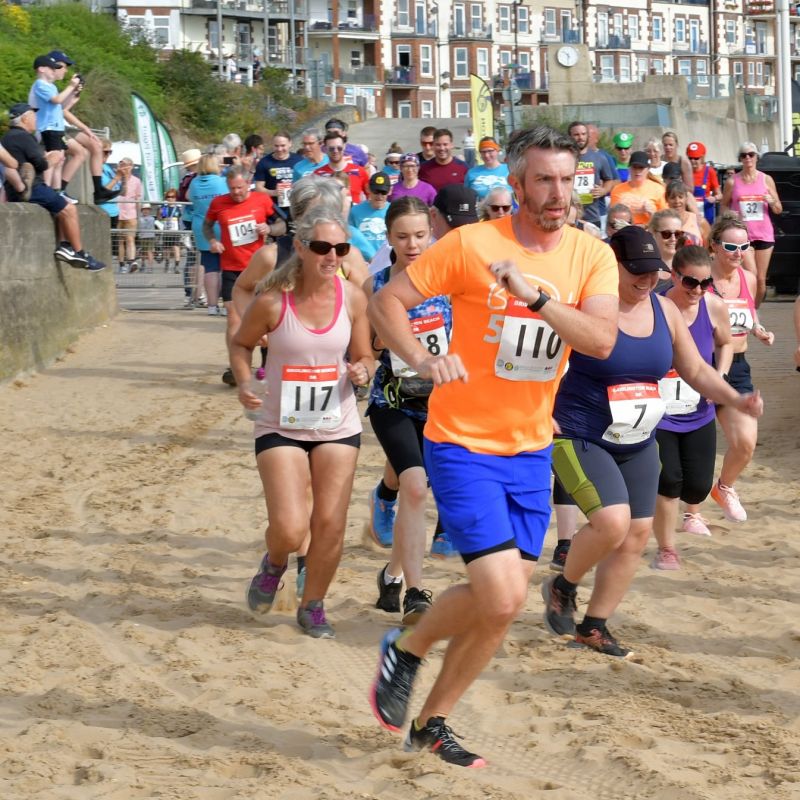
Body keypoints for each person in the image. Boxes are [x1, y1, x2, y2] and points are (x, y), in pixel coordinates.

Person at [368, 126, 620, 767]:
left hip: (531, 448)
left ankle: (430, 719)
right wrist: (423, 361)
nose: (558, 193)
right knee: (504, 594)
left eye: (568, 179)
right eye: (544, 179)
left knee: (498, 606)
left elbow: (599, 340)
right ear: (517, 184)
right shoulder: (470, 244)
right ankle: (408, 647)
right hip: (462, 443)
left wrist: (534, 296)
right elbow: (386, 304)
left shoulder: (592, 255)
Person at [543, 226, 763, 658]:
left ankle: (594, 625)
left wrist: (736, 398)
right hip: (580, 434)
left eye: (652, 272)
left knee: (638, 532)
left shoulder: (664, 311)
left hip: (639, 438)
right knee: (611, 521)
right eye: (636, 271)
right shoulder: (583, 307)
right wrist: (542, 410)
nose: (646, 280)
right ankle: (563, 586)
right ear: (612, 264)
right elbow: (545, 361)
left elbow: (698, 371)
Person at [230, 206, 373, 638]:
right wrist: (242, 382)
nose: (331, 256)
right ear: (301, 248)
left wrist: (363, 369)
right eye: (322, 247)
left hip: (337, 424)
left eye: (340, 249)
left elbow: (365, 354)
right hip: (280, 425)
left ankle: (313, 604)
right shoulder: (273, 301)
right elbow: (241, 344)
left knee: (330, 522)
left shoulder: (353, 300)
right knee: (292, 528)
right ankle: (275, 561)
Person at [364, 197, 449, 623]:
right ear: (388, 239)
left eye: (420, 235)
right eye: (402, 237)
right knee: (415, 488)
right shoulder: (376, 284)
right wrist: (381, 345)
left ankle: (393, 574)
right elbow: (363, 350)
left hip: (444, 403)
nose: (412, 245)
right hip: (393, 400)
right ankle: (417, 593)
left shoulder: (450, 278)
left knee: (415, 491)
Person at [652, 245, 733, 568]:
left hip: (699, 409)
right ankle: (666, 548)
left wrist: (719, 375)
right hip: (659, 412)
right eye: (690, 283)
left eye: (705, 283)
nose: (698, 290)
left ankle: (688, 513)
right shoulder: (655, 306)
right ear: (674, 276)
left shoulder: (714, 306)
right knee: (669, 479)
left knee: (697, 486)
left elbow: (725, 342)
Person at [706, 214, 775, 522]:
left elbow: (749, 314)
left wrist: (759, 330)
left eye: (744, 246)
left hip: (737, 368)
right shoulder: (701, 278)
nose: (738, 253)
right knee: (693, 445)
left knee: (745, 444)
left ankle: (724, 487)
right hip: (702, 367)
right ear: (713, 246)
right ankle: (690, 514)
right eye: (731, 246)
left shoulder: (747, 278)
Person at [203, 164, 284, 385]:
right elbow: (207, 225)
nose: (236, 192)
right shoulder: (218, 203)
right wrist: (212, 240)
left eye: (240, 187)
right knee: (234, 319)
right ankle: (236, 366)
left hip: (260, 270)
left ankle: (268, 366)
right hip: (231, 268)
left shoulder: (262, 200)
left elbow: (282, 224)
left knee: (266, 318)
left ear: (247, 183)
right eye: (232, 188)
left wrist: (270, 230)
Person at [1, 102, 104, 271]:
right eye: (33, 116)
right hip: (32, 188)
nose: (36, 119)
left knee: (60, 205)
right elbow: (41, 165)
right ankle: (80, 253)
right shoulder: (23, 137)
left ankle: (65, 246)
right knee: (69, 209)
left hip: (15, 189)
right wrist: (53, 158)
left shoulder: (7, 137)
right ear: (25, 118)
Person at [28, 53, 118, 205]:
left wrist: (74, 95)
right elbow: (58, 104)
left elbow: (60, 108)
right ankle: (47, 190)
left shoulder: (52, 87)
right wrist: (70, 87)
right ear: (44, 69)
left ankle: (58, 191)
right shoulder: (41, 85)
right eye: (57, 67)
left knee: (62, 158)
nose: (62, 71)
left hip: (55, 127)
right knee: (56, 158)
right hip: (48, 128)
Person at [721, 142, 783, 306]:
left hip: (764, 234)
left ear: (757, 157)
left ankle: (754, 310)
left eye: (751, 154)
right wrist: (729, 215)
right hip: (743, 235)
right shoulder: (732, 182)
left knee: (761, 280)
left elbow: (778, 209)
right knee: (752, 275)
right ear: (740, 159)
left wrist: (771, 201)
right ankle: (748, 310)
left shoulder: (766, 180)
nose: (747, 158)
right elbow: (723, 205)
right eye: (744, 155)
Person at [188, 154, 228, 315]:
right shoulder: (221, 182)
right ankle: (226, 304)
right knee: (227, 267)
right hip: (221, 225)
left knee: (210, 266)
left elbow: (188, 198)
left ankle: (212, 306)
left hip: (201, 226)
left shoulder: (194, 182)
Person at [568, 121, 617, 227]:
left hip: (592, 215)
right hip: (569, 215)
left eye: (583, 134)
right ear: (569, 137)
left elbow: (609, 180)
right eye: (576, 135)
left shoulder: (599, 157)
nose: (580, 137)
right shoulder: (564, 157)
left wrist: (603, 190)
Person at [609, 150, 666, 226]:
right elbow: (612, 219)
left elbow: (665, 219)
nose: (637, 171)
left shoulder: (658, 189)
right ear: (629, 169)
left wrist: (652, 214)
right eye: (634, 167)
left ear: (648, 169)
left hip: (648, 233)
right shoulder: (617, 190)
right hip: (624, 232)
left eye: (641, 168)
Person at [254, 131, 302, 214]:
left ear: (290, 143)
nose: (279, 149)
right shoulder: (264, 163)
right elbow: (258, 188)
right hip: (275, 210)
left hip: (297, 206)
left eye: (283, 146)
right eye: (276, 146)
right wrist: (274, 193)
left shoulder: (299, 160)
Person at [314, 132, 369, 204]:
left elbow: (370, 196)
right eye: (331, 148)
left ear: (344, 147)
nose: (335, 151)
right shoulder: (317, 174)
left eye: (339, 148)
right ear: (325, 149)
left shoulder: (359, 171)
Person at [348, 172, 391, 261]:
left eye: (383, 192)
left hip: (387, 261)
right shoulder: (355, 211)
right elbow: (350, 237)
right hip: (362, 262)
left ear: (390, 191)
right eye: (376, 191)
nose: (379, 196)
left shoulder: (394, 210)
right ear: (368, 189)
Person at [116, 158, 142, 273]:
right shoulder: (117, 179)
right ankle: (122, 264)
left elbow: (138, 198)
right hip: (118, 213)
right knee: (120, 240)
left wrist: (138, 214)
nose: (125, 168)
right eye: (122, 165)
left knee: (130, 238)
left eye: (127, 165)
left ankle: (131, 261)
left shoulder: (136, 181)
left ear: (131, 166)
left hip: (131, 214)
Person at [648, 208, 685, 291]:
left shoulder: (689, 268)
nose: (673, 239)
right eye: (666, 234)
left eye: (678, 234)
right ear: (652, 234)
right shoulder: (644, 272)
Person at [686, 141, 721, 226]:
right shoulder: (685, 172)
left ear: (702, 158)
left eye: (696, 158)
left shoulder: (709, 171)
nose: (692, 161)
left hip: (706, 215)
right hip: (689, 215)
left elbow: (720, 195)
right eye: (690, 158)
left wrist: (714, 198)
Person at [665, 180, 709, 246]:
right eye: (672, 198)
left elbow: (710, 249)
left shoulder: (699, 221)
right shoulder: (662, 222)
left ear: (686, 198)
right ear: (666, 199)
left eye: (680, 197)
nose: (677, 201)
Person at [158, 189, 183, 273]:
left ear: (175, 198)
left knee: (176, 248)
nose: (170, 199)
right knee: (166, 249)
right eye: (168, 197)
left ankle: (176, 266)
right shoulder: (164, 207)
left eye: (172, 197)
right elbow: (160, 218)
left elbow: (181, 218)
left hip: (175, 231)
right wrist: (159, 213)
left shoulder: (178, 207)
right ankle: (167, 263)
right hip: (166, 231)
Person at [138, 203, 156, 272]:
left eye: (147, 210)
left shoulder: (152, 218)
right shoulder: (140, 218)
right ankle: (143, 264)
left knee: (149, 251)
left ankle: (150, 267)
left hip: (150, 236)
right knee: (143, 252)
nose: (146, 211)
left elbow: (146, 226)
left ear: (150, 210)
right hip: (142, 237)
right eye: (144, 210)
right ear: (142, 210)